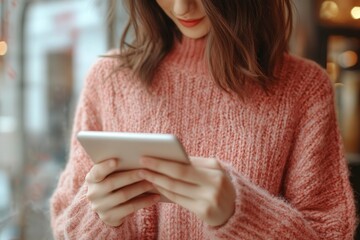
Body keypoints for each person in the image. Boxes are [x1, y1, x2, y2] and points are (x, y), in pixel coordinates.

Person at [50, 0, 357, 239]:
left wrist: (241, 212)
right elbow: (64, 223)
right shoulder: (110, 80)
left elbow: (329, 233)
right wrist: (100, 216)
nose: (182, 7)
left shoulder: (302, 87)